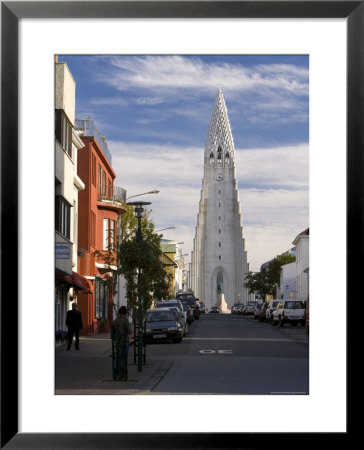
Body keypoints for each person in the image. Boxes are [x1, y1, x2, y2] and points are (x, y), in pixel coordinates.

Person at [111, 306, 132, 381]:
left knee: (118, 357)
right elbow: (129, 331)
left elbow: (112, 333)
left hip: (118, 342)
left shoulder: (115, 320)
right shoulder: (125, 320)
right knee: (124, 357)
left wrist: (115, 338)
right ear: (125, 313)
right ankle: (123, 373)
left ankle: (117, 373)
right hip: (124, 340)